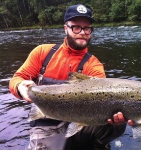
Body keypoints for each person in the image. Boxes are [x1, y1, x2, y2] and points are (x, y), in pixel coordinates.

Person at [9, 4, 133, 150]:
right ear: (65, 28)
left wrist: (116, 113)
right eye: (76, 27)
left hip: (81, 121)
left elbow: (104, 101)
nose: (82, 32)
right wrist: (20, 87)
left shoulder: (94, 65)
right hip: (46, 123)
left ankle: (94, 146)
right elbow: (17, 79)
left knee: (116, 126)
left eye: (87, 28)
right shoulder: (42, 52)